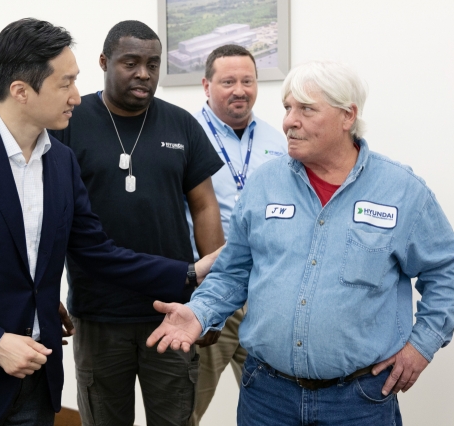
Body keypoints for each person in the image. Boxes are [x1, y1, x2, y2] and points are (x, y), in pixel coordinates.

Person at [0, 18, 216, 426]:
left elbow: (96, 251)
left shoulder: (59, 162)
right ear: (21, 91)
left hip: (36, 383)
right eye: (66, 83)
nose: (78, 96)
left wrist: (190, 271)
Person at [147, 60, 454, 425]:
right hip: (266, 398)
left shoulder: (401, 191)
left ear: (347, 116)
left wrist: (420, 347)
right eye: (287, 108)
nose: (288, 121)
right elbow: (233, 272)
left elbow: (446, 270)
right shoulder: (264, 185)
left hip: (359, 401)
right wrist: (200, 311)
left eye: (306, 109)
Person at [48, 20, 225, 426]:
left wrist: (212, 297)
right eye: (131, 62)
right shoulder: (69, 124)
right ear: (104, 62)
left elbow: (204, 206)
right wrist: (42, 290)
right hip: (98, 312)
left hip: (173, 309)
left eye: (153, 63)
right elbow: (46, 215)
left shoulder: (181, 125)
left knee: (176, 417)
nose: (144, 73)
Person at [185, 44, 287, 426]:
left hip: (266, 293)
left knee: (275, 404)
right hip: (210, 289)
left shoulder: (280, 143)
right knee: (187, 403)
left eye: (247, 80)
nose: (239, 90)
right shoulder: (185, 136)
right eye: (228, 81)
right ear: (206, 85)